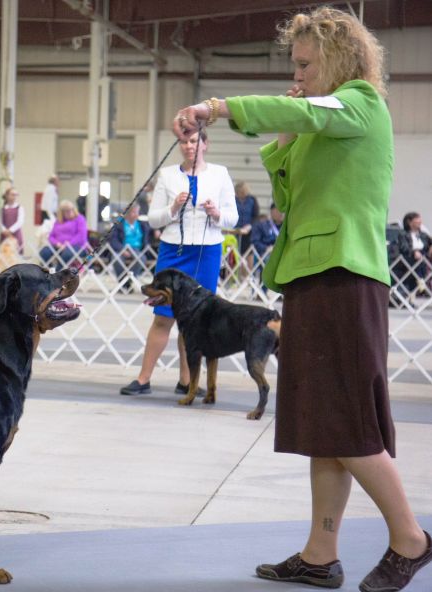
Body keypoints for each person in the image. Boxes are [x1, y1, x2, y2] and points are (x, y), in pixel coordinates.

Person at [172, 7, 432, 591]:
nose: (300, 73)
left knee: (349, 421)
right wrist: (290, 132)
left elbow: (302, 112)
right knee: (324, 424)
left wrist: (215, 109)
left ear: (339, 59)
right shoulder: (325, 118)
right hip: (313, 276)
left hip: (344, 277)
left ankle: (411, 539)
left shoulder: (361, 103)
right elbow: (289, 187)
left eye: (307, 64)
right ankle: (321, 555)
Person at [120, 129, 237, 396]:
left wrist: (216, 213)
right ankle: (143, 378)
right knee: (162, 317)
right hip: (173, 251)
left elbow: (233, 218)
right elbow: (153, 219)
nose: (188, 146)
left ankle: (187, 381)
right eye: (184, 141)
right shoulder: (167, 175)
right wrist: (172, 208)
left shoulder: (220, 174)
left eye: (194, 141)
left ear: (205, 144)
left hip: (206, 253)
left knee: (195, 320)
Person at [108, 203, 157, 291]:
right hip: (122, 248)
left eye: (137, 212)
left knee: (141, 258)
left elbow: (152, 230)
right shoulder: (118, 224)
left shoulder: (143, 225)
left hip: (137, 249)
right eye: (134, 212)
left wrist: (157, 231)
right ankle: (122, 281)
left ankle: (129, 281)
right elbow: (113, 241)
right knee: (116, 258)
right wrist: (122, 250)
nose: (137, 214)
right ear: (128, 213)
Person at [38, 200, 89, 267]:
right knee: (44, 252)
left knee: (67, 254)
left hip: (77, 247)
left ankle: (58, 273)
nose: (70, 212)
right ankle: (48, 272)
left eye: (72, 209)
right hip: (59, 247)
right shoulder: (58, 221)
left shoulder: (80, 219)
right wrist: (57, 243)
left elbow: (81, 236)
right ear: (62, 212)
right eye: (67, 211)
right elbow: (51, 236)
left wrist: (67, 244)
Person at [396, 212, 432, 295]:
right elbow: (404, 248)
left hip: (424, 258)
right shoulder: (403, 234)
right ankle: (421, 285)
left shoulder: (424, 235)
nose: (420, 224)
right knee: (419, 262)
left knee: (423, 260)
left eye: (420, 222)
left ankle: (422, 284)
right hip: (410, 259)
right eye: (417, 222)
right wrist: (414, 252)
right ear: (409, 222)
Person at [232, 181, 260, 258]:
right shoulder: (233, 200)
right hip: (235, 231)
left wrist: (250, 226)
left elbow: (256, 216)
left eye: (243, 192)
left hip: (249, 232)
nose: (241, 194)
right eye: (239, 192)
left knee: (249, 254)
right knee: (235, 255)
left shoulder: (252, 200)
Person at [0, 187, 25, 253]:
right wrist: (4, 230)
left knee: (16, 253)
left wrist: (10, 230)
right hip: (4, 234)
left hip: (16, 234)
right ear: (7, 196)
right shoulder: (3, 208)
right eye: (12, 194)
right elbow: (0, 221)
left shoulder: (19, 208)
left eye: (16, 195)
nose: (14, 197)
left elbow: (20, 221)